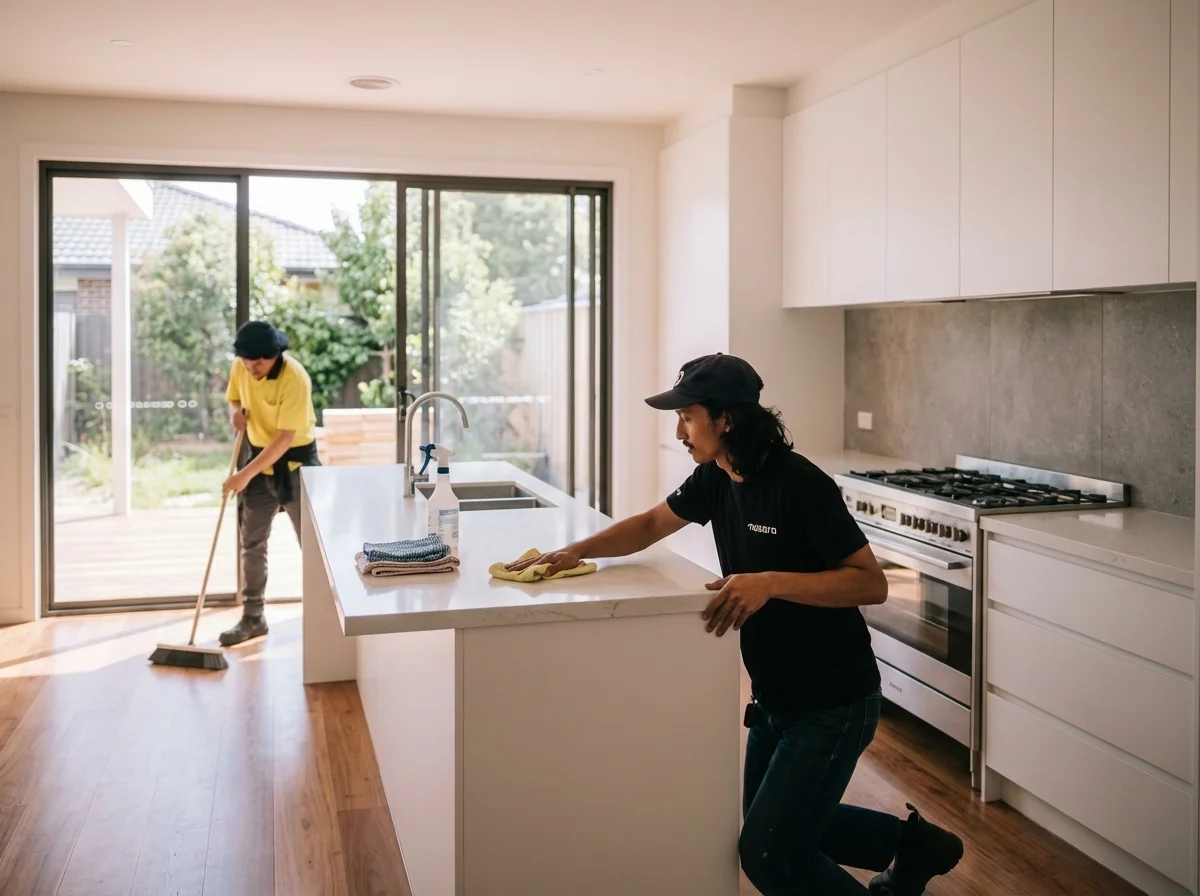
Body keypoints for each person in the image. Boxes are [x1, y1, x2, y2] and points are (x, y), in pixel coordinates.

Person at [506, 352, 963, 896]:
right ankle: (915, 846)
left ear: (725, 419)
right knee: (779, 827)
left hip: (834, 702)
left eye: (687, 417)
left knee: (769, 854)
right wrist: (572, 551)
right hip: (775, 698)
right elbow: (652, 523)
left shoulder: (799, 484)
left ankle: (910, 851)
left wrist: (770, 581)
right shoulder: (716, 477)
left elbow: (871, 583)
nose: (679, 431)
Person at [218, 320, 320, 647]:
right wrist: (235, 413)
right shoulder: (242, 366)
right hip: (259, 462)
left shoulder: (295, 379)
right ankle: (252, 618)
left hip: (296, 466)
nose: (252, 367)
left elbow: (285, 440)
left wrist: (242, 474)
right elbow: (234, 398)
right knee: (252, 543)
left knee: (315, 547)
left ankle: (324, 616)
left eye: (259, 361)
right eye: (247, 361)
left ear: (276, 355)